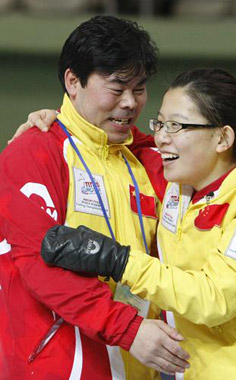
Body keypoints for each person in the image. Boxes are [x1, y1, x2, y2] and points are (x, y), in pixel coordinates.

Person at [23, 67, 236, 379]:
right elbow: (114, 143)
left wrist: (120, 261)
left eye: (177, 125)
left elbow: (215, 299)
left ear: (223, 137)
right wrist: (59, 124)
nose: (161, 137)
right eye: (161, 123)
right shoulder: (178, 183)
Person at [0, 15, 191, 380]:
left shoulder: (154, 159)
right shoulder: (33, 154)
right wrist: (128, 329)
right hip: (59, 368)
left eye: (139, 89)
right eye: (117, 88)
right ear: (73, 82)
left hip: (142, 366)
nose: (130, 103)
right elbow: (40, 267)